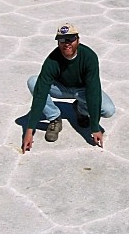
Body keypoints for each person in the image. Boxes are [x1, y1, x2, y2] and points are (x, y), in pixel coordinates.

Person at [22, 23, 115, 153]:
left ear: (78, 39)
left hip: (83, 90)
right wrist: (29, 130)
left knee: (108, 110)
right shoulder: (52, 60)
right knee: (33, 82)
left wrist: (94, 127)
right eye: (62, 40)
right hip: (61, 89)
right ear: (58, 43)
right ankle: (54, 117)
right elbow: (40, 93)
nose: (66, 43)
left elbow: (93, 91)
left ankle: (81, 110)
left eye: (70, 39)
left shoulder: (89, 57)